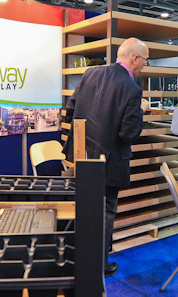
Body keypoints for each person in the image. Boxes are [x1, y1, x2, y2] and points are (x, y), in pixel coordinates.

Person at [63, 37, 150, 277]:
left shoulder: (91, 73)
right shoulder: (132, 89)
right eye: (145, 60)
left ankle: (77, 255)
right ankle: (97, 265)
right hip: (108, 165)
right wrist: (141, 110)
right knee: (104, 213)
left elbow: (71, 111)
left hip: (81, 157)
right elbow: (128, 133)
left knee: (83, 208)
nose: (145, 65)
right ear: (135, 58)